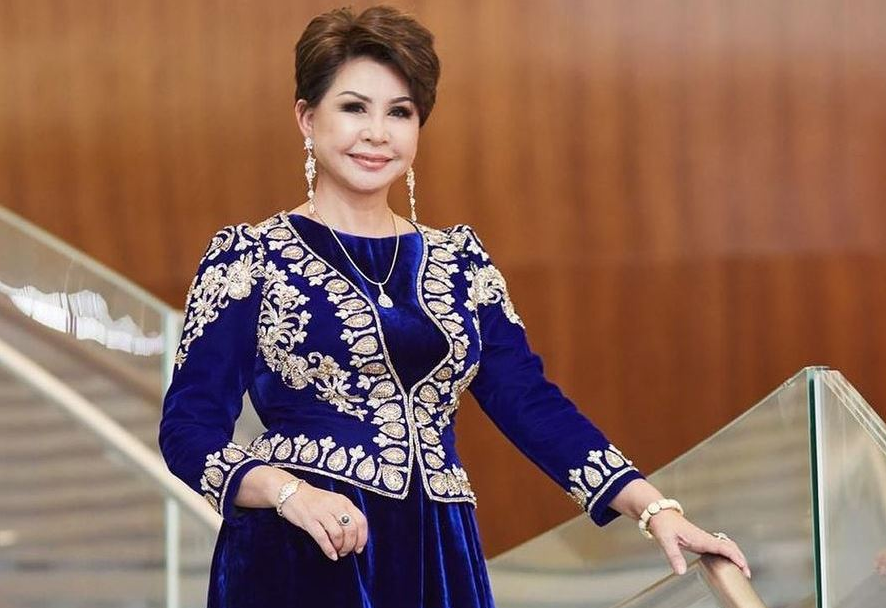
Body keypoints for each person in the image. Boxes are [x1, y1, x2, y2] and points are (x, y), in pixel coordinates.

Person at [159, 5, 750, 607]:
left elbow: (529, 401)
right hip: (302, 550)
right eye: (354, 108)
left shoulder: (459, 260)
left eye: (400, 113)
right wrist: (287, 493)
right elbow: (188, 430)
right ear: (307, 118)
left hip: (439, 551)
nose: (377, 133)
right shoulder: (250, 257)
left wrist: (654, 509)